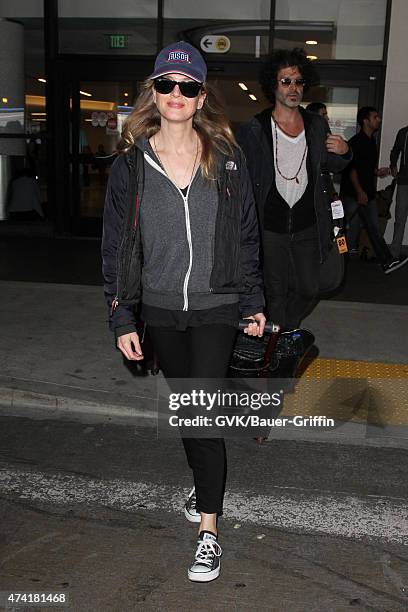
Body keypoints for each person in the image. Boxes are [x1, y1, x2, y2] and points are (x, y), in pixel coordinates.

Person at [101, 41, 265, 583]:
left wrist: (253, 302)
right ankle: (203, 475)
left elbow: (246, 237)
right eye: (166, 84)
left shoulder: (227, 160)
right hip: (162, 309)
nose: (176, 94)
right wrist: (122, 315)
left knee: (200, 412)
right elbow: (116, 244)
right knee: (188, 406)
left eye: (188, 86)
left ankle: (209, 534)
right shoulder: (131, 166)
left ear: (200, 99)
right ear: (155, 92)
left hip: (217, 305)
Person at [237, 48, 350, 374]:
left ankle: (282, 331)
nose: (293, 87)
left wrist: (345, 151)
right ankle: (274, 348)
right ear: (273, 85)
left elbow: (333, 163)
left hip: (306, 224)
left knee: (310, 286)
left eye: (299, 81)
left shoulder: (316, 125)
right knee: (273, 290)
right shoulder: (254, 129)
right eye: (286, 81)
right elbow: (241, 178)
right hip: (268, 225)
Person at [340, 107, 408, 273]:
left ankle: (387, 262)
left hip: (366, 193)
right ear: (365, 120)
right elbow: (352, 169)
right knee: (340, 228)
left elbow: (364, 168)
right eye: (375, 117)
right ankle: (334, 259)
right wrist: (359, 192)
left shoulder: (371, 141)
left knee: (373, 228)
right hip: (354, 194)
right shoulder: (356, 142)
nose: (379, 119)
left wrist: (377, 172)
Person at [390, 124, 408, 259]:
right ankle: (394, 252)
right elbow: (395, 150)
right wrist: (393, 165)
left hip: (403, 181)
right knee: (400, 217)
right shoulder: (403, 132)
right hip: (403, 181)